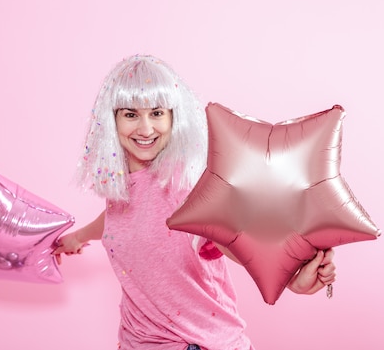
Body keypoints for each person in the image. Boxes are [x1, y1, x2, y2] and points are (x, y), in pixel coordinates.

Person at [53, 55, 336, 350]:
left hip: (197, 344)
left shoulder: (186, 186)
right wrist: (79, 236)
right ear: (112, 120)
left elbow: (234, 240)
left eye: (157, 113)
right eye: (131, 114)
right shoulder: (123, 187)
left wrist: (291, 277)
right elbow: (123, 217)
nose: (146, 128)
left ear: (174, 117)